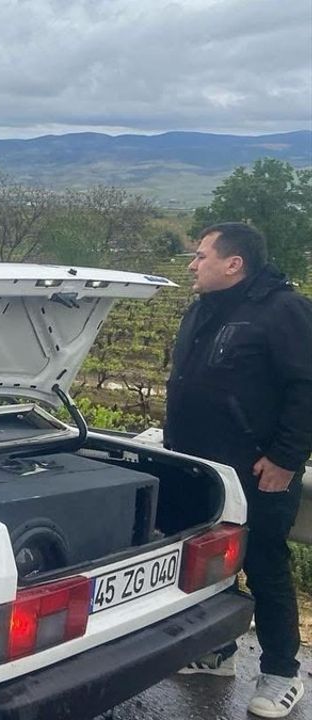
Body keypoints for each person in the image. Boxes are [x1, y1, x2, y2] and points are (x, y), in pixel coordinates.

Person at [167, 223, 311, 719]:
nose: (192, 263)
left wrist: (287, 459)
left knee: (265, 565)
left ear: (234, 264)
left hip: (257, 471)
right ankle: (220, 653)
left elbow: (306, 388)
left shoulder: (282, 311)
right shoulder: (205, 309)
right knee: (213, 563)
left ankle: (280, 674)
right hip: (201, 471)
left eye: (201, 255)